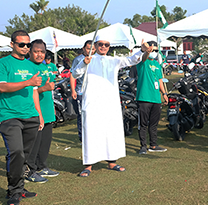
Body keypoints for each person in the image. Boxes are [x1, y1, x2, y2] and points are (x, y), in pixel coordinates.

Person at [72, 37, 152, 176]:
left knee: (111, 132)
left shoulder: (113, 60)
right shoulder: (88, 59)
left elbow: (131, 60)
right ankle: (88, 165)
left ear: (109, 47)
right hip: (92, 102)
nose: (103, 46)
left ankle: (112, 161)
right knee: (91, 133)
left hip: (110, 103)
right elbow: (75, 73)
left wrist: (141, 51)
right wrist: (84, 63)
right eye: (101, 44)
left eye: (106, 44)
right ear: (95, 45)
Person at [0, 30, 43, 205]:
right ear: (12, 44)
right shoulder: (2, 64)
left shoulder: (32, 66)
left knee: (24, 156)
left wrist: (39, 115)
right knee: (16, 152)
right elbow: (2, 87)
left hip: (30, 116)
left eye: (28, 44)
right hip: (8, 116)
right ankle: (14, 191)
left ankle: (19, 188)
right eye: (21, 44)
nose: (25, 47)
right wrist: (27, 82)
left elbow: (34, 93)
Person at [25, 39, 60, 183]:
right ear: (30, 52)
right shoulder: (27, 67)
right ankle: (30, 171)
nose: (39, 55)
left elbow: (50, 88)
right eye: (36, 51)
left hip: (47, 110)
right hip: (34, 111)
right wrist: (43, 88)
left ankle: (42, 166)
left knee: (45, 142)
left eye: (42, 52)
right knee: (34, 144)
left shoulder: (45, 67)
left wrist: (52, 107)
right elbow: (28, 91)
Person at [136, 41, 168, 155]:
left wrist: (164, 93)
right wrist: (146, 52)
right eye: (152, 50)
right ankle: (143, 146)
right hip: (144, 97)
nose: (154, 52)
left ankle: (153, 145)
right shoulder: (142, 62)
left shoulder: (157, 64)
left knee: (154, 124)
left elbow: (159, 80)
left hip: (156, 98)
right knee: (143, 124)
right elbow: (144, 58)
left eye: (156, 50)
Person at [70, 40, 94, 142]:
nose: (90, 51)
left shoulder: (96, 59)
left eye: (92, 49)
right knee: (81, 115)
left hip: (92, 92)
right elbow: (72, 75)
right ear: (84, 48)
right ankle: (82, 137)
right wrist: (73, 90)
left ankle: (92, 135)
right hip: (81, 91)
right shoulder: (78, 59)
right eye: (88, 48)